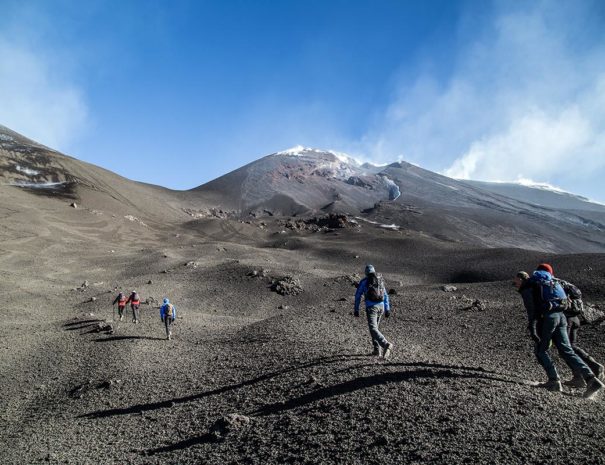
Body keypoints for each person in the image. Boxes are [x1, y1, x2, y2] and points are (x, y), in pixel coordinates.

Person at [514, 268, 604, 398]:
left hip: (548, 318)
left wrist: (533, 329)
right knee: (567, 350)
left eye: (516, 281)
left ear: (521, 279)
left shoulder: (528, 288)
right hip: (561, 316)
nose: (515, 284)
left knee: (541, 350)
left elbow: (532, 312)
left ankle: (554, 381)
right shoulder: (548, 283)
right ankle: (591, 379)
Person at [535, 263, 604, 387]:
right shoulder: (563, 283)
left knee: (565, 349)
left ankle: (582, 376)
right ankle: (591, 369)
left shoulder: (549, 283)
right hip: (574, 317)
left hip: (565, 319)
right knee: (571, 347)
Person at [354, 264, 393, 358]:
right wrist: (387, 309)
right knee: (375, 329)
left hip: (372, 308)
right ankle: (376, 350)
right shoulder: (380, 280)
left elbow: (358, 296)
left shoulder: (364, 281)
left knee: (373, 329)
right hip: (381, 307)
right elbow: (386, 295)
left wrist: (356, 309)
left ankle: (385, 344)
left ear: (366, 272)